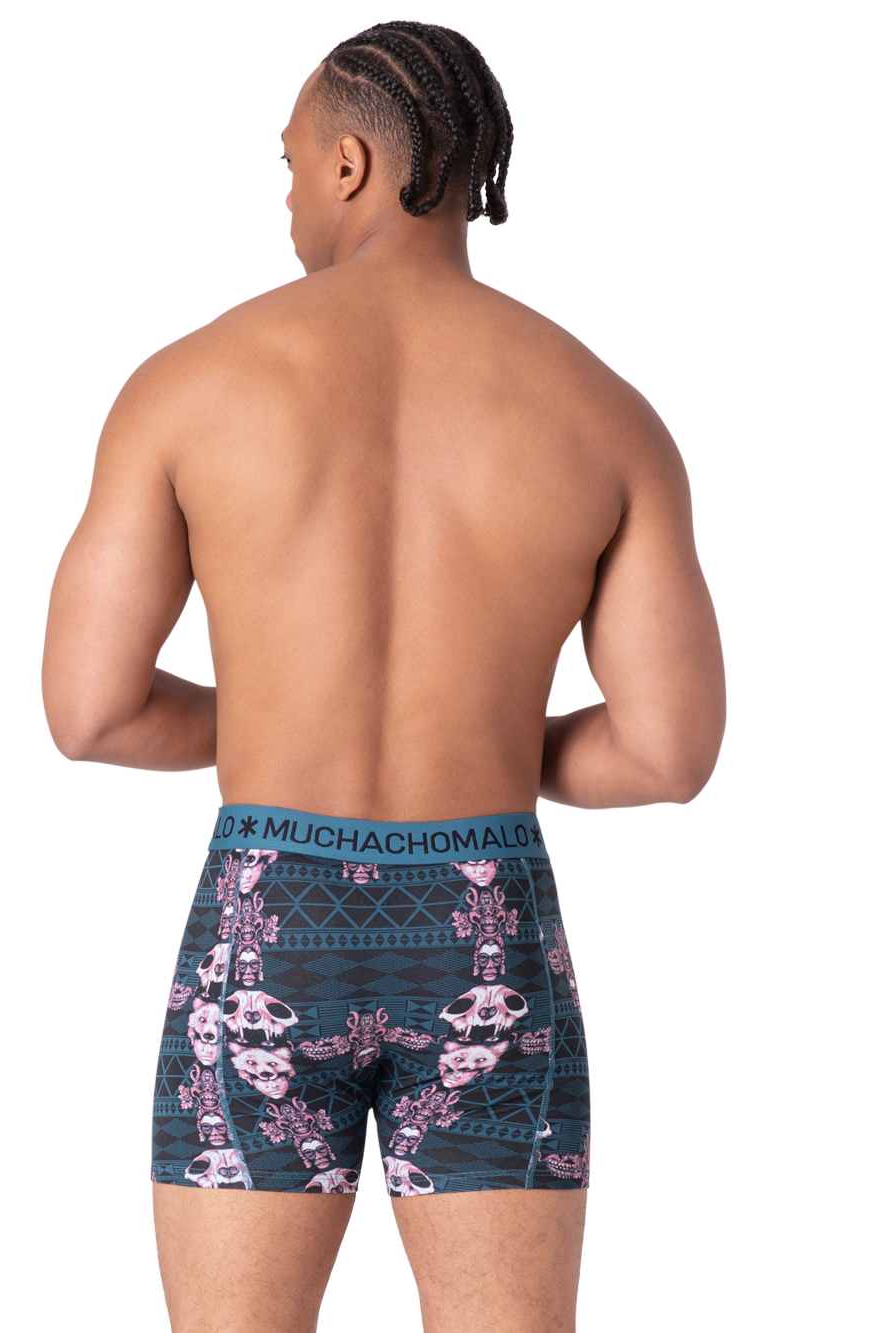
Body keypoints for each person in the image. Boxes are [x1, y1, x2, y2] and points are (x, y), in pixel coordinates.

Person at [41, 20, 726, 1333]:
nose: (290, 195)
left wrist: (288, 714)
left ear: (350, 164)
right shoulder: (606, 414)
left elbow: (92, 709)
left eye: (290, 163)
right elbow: (667, 752)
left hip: (267, 922)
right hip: (488, 928)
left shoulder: (187, 386)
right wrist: (475, 726)